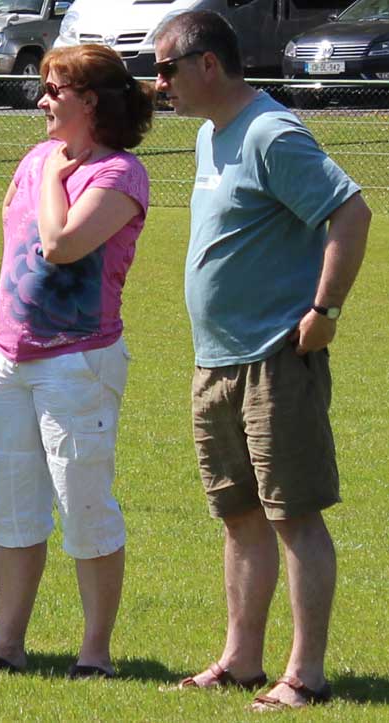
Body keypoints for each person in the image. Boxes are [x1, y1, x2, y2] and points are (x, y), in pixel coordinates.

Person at [154, 10, 371, 711]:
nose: (160, 85)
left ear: (207, 64)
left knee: (293, 515)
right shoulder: (208, 137)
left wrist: (325, 311)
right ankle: (241, 660)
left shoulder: (272, 132)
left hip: (277, 357)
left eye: (166, 70)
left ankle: (305, 673)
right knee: (240, 514)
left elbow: (351, 212)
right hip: (215, 360)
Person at [0, 44, 154, 678]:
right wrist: (43, 171)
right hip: (11, 361)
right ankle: (7, 646)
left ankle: (95, 654)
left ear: (92, 102)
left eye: (56, 90)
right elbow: (9, 219)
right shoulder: (33, 159)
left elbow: (61, 243)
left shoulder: (119, 174)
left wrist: (54, 177)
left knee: (84, 506)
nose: (43, 100)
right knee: (14, 506)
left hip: (78, 365)